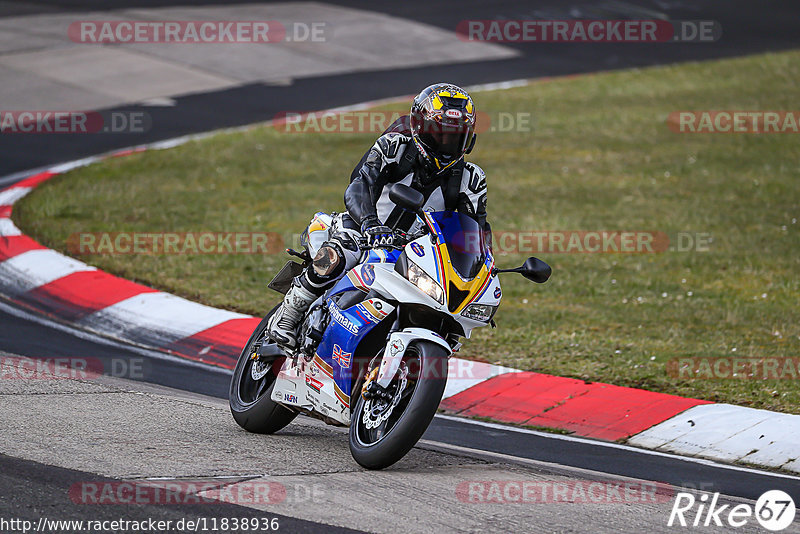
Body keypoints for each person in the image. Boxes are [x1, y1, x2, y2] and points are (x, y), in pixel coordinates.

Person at [267, 82, 491, 349]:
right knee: (339, 254)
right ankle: (289, 314)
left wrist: (481, 269)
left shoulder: (472, 179)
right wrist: (370, 224)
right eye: (439, 134)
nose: (447, 144)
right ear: (419, 128)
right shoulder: (394, 147)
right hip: (366, 227)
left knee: (449, 306)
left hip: (415, 251)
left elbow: (476, 231)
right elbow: (360, 185)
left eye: (456, 137)